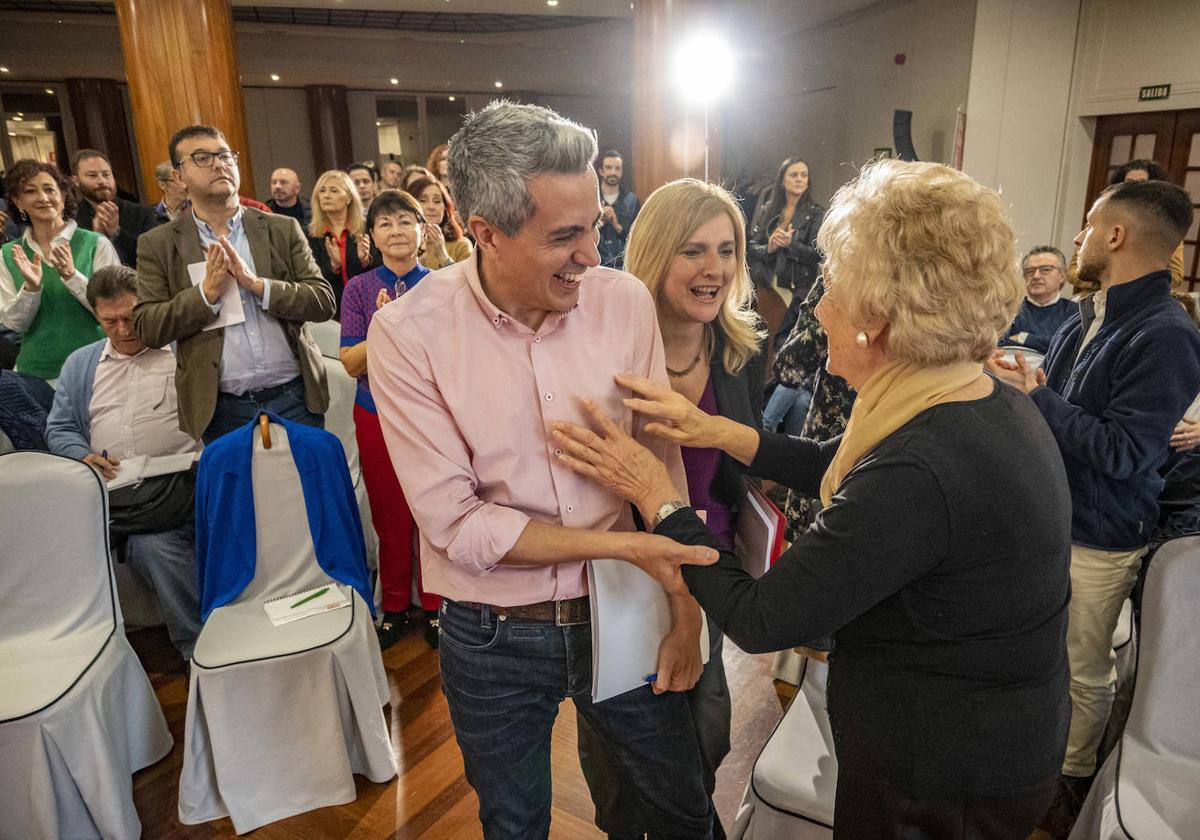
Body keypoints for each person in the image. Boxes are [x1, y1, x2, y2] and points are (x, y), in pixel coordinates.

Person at [554, 159, 1073, 840]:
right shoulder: (972, 396)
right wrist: (722, 432)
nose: (817, 307)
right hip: (981, 736)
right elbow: (843, 464)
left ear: (880, 321)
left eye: (834, 288)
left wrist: (659, 496)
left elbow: (763, 617)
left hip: (942, 770)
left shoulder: (922, 466)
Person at [366, 101, 718, 840]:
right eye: (565, 236)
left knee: (682, 805)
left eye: (594, 224)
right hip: (492, 635)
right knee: (516, 822)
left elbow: (658, 461)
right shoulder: (407, 334)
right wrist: (627, 547)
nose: (593, 254)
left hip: (627, 607)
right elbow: (457, 526)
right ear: (483, 232)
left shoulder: (622, 304)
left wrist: (683, 600)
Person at [988, 178, 1200, 838]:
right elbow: (1069, 407)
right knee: (1045, 654)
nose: (1077, 238)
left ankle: (1067, 787)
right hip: (1060, 514)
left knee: (1084, 668)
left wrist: (1037, 397)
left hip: (1104, 532)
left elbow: (1125, 452)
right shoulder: (1098, 311)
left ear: (1116, 236)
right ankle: (1033, 763)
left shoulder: (1165, 333)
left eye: (1086, 226)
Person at [576, 178, 765, 840]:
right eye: (693, 250)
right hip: (623, 568)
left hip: (711, 567)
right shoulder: (605, 352)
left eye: (726, 249)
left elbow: (746, 458)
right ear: (654, 255)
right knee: (618, 758)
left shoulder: (739, 351)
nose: (714, 269)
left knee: (704, 735)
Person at [133, 124, 336, 443]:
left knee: (307, 490)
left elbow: (323, 301)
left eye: (225, 155)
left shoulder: (280, 228)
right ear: (179, 176)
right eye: (202, 157)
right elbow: (148, 326)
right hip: (221, 407)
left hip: (295, 397)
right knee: (241, 494)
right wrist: (206, 294)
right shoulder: (159, 244)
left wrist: (258, 286)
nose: (218, 164)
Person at [46, 265, 203, 660]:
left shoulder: (183, 350)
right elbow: (61, 427)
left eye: (130, 318)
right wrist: (82, 455)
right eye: (109, 321)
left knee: (169, 542)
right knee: (153, 547)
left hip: (193, 481)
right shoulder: (82, 364)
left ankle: (212, 641)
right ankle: (196, 650)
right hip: (129, 497)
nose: (122, 330)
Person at [339, 190, 441, 649]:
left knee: (436, 509)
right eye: (385, 223)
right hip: (374, 412)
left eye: (405, 221)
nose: (396, 230)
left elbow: (453, 357)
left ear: (423, 231)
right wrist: (386, 324)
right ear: (372, 236)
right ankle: (396, 606)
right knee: (389, 512)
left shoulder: (443, 284)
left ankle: (440, 606)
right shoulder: (358, 289)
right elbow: (350, 362)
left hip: (432, 415)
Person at [0, 159, 120, 382]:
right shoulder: (8, 254)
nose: (43, 198)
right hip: (35, 374)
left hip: (98, 368)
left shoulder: (96, 243)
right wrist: (31, 289)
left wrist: (71, 276)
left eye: (49, 189)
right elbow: (13, 324)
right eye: (30, 191)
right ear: (18, 201)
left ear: (63, 197)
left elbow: (117, 308)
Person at [1068, 159, 1185, 293]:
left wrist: (1126, 284)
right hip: (1093, 299)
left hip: (1139, 299)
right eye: (1128, 183)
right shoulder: (1100, 221)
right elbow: (1072, 271)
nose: (1133, 188)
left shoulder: (1162, 228)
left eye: (1141, 183)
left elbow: (1175, 276)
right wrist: (1103, 282)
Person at [747, 155, 825, 347]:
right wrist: (770, 247)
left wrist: (791, 244)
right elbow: (751, 247)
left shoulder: (815, 213)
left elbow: (817, 253)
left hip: (796, 288)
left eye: (804, 175)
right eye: (794, 175)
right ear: (783, 180)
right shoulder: (768, 210)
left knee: (785, 344)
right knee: (761, 342)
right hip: (767, 285)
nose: (800, 179)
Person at [72, 149, 161, 267]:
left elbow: (154, 257)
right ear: (76, 180)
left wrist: (116, 232)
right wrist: (96, 237)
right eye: (92, 175)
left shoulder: (142, 213)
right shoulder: (71, 219)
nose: (102, 181)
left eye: (106, 174)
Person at [307, 169, 371, 317]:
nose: (326, 196)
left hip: (366, 306)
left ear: (348, 198)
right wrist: (333, 266)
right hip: (330, 310)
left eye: (334, 190)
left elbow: (379, 272)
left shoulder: (365, 229)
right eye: (322, 191)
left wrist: (364, 260)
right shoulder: (310, 234)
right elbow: (310, 279)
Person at [1004, 245, 1075, 355]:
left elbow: (1069, 347)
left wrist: (1025, 338)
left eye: (1045, 270)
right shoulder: (1008, 308)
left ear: (1062, 276)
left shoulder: (1075, 312)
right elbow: (998, 343)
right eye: (1030, 271)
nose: (1036, 276)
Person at [407, 175, 472, 269]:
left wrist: (443, 256)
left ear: (445, 208)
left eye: (437, 201)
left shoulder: (461, 246)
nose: (431, 207)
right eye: (423, 200)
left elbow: (466, 282)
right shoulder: (401, 242)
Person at [596, 149, 640, 269]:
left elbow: (638, 240)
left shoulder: (632, 200)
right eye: (609, 168)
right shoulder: (590, 198)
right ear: (601, 171)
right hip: (595, 266)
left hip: (623, 268)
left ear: (621, 171)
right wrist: (599, 223)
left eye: (617, 168)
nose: (613, 172)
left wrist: (617, 226)